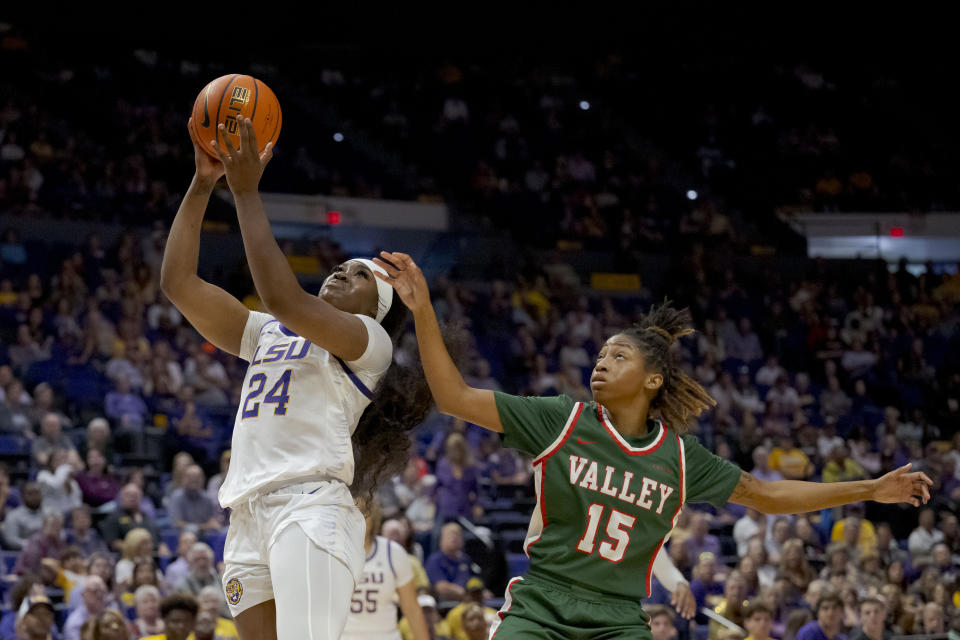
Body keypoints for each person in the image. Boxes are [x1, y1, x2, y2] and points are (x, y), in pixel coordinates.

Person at [373, 258, 933, 640]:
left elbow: (764, 494)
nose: (601, 361)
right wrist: (423, 309)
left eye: (618, 356)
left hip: (619, 617)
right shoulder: (560, 420)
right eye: (599, 354)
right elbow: (453, 396)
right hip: (542, 603)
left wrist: (870, 488)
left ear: (652, 380)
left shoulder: (680, 457)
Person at [162, 118, 432, 640]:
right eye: (341, 266)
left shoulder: (368, 343)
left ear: (375, 308)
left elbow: (283, 295)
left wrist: (245, 193)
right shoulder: (267, 333)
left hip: (310, 507)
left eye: (358, 276)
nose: (339, 273)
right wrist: (203, 184)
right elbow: (178, 283)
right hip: (246, 514)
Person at [340, 500, 428, 640]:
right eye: (353, 513)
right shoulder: (331, 553)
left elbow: (411, 609)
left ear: (373, 516)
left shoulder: (393, 552)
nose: (359, 519)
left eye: (364, 513)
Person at [63, 575, 112, 640]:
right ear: (83, 594)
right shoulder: (75, 624)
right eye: (94, 591)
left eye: (102, 591)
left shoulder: (112, 615)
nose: (99, 595)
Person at [2, 482, 45, 550]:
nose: (34, 497)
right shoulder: (13, 516)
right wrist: (31, 544)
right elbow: (11, 540)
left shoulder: (47, 515)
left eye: (37, 493)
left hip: (46, 555)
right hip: (21, 554)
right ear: (23, 496)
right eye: (30, 494)